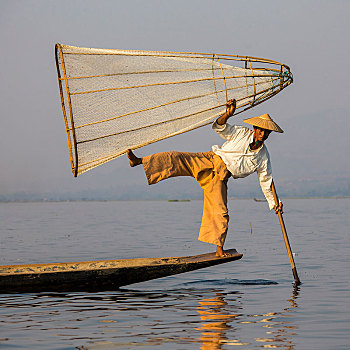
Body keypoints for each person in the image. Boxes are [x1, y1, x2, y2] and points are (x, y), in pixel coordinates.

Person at [127, 99, 283, 257]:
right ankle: (139, 161)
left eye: (266, 132)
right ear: (255, 129)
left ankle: (219, 249)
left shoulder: (263, 157)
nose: (262, 134)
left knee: (221, 212)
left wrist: (273, 204)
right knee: (176, 157)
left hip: (221, 176)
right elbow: (220, 127)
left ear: (269, 134)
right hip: (211, 159)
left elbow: (266, 181)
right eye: (260, 130)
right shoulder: (242, 133)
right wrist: (227, 115)